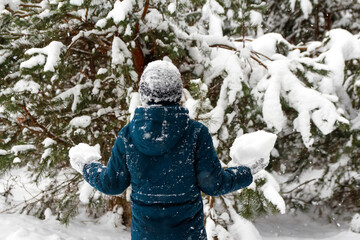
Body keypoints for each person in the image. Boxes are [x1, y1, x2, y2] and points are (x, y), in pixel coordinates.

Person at [69, 60, 266, 240]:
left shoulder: (128, 135)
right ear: (177, 92)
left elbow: (111, 183)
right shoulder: (196, 133)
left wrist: (87, 166)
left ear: (145, 93)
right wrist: (245, 171)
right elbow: (213, 184)